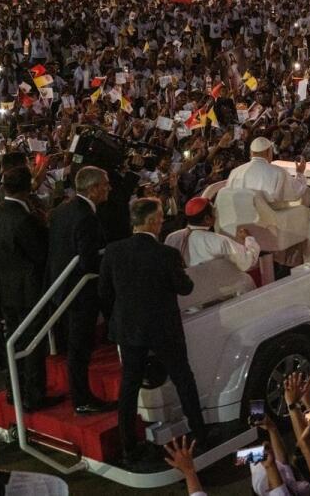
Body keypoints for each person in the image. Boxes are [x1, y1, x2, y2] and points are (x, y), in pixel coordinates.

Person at [99, 198, 208, 466]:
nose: (162, 221)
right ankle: (199, 433)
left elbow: (104, 292)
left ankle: (129, 447)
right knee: (183, 378)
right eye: (160, 217)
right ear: (151, 222)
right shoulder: (166, 254)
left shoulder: (113, 251)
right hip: (163, 329)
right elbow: (185, 288)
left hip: (129, 328)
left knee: (129, 387)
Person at [46, 165, 115, 415]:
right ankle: (82, 399)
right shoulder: (86, 216)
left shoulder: (62, 210)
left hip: (64, 289)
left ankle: (81, 397)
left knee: (76, 347)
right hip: (79, 292)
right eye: (105, 184)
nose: (109, 188)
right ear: (93, 188)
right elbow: (88, 262)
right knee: (79, 349)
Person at [0, 167, 57, 411]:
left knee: (13, 341)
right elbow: (40, 254)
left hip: (2, 290)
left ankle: (13, 390)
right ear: (28, 188)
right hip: (27, 293)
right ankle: (33, 395)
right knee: (32, 343)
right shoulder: (24, 220)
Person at [164, 197, 260, 270]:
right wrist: (248, 238)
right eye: (214, 212)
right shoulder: (219, 241)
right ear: (207, 219)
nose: (216, 215)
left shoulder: (171, 237)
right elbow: (247, 262)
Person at [226, 136, 310, 206]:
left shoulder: (235, 172)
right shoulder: (279, 172)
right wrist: (300, 173)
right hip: (267, 218)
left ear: (251, 153)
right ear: (268, 152)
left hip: (239, 217)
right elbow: (296, 192)